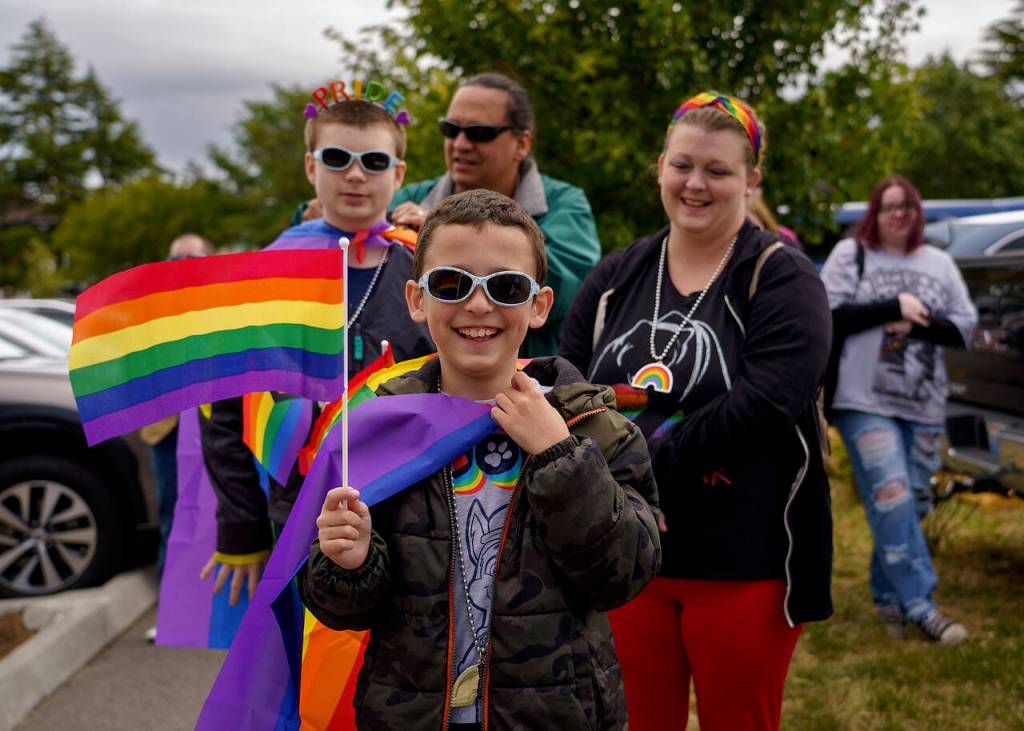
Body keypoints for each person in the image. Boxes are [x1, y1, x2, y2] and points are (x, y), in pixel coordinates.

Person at [299, 189, 662, 730]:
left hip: (554, 714)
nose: (477, 305)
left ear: (539, 305)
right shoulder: (377, 429)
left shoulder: (594, 428)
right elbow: (345, 611)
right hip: (410, 714)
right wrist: (347, 564)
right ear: (417, 299)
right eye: (452, 283)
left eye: (506, 286)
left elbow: (624, 576)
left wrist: (559, 454)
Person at [560, 92, 833, 731]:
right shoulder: (616, 277)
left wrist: (638, 462)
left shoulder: (781, 277)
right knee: (634, 720)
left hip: (745, 562)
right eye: (683, 165)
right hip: (627, 557)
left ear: (751, 180)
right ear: (660, 166)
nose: (696, 183)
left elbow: (767, 403)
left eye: (718, 170)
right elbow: (570, 387)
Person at [199, 96, 434, 606]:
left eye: (374, 161)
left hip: (416, 514)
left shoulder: (425, 268)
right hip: (297, 519)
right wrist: (241, 528)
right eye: (336, 159)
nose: (355, 175)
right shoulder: (267, 274)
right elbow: (223, 406)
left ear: (399, 174)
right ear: (311, 167)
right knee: (310, 671)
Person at [820, 174, 976, 645]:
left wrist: (911, 323)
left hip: (924, 402)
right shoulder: (852, 253)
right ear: (874, 212)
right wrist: (892, 304)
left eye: (906, 207)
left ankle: (887, 596)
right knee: (891, 494)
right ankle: (921, 604)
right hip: (862, 401)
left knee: (913, 499)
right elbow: (825, 312)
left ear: (917, 214)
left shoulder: (940, 263)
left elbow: (964, 328)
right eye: (888, 207)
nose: (898, 215)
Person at [389, 72, 601, 357]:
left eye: (479, 133)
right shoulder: (405, 199)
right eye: (451, 129)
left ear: (522, 144)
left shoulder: (565, 204)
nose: (461, 143)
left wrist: (442, 237)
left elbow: (566, 290)